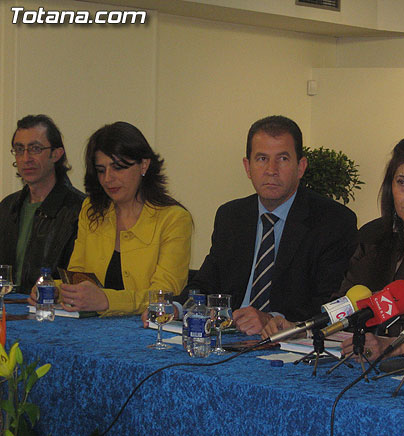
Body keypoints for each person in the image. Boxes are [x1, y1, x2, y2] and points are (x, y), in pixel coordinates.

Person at [263, 136, 404, 359]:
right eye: (402, 183)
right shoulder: (373, 235)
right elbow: (346, 302)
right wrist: (304, 329)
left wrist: (396, 346)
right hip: (358, 361)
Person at [159, 115, 357, 334]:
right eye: (262, 159)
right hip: (229, 337)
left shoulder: (333, 221)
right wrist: (176, 308)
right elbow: (206, 284)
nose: (271, 170)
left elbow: (330, 303)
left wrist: (271, 319)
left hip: (289, 345)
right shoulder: (231, 216)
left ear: (300, 167)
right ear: (247, 167)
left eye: (282, 159)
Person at [30, 121, 192, 316]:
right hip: (90, 329)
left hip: (145, 333)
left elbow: (163, 298)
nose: (108, 178)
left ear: (144, 165)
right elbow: (76, 276)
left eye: (118, 168)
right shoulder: (91, 210)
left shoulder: (174, 219)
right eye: (101, 170)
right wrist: (53, 289)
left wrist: (107, 300)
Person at [0, 114, 85, 293]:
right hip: (9, 311)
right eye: (19, 149)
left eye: (35, 149)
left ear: (56, 154)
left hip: (53, 312)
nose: (26, 158)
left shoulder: (79, 209)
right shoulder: (7, 207)